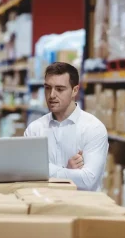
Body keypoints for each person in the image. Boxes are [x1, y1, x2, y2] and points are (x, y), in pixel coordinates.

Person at [24, 62, 108, 191]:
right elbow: (26, 173)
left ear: (74, 90)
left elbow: (88, 180)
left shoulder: (93, 128)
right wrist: (67, 172)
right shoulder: (34, 129)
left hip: (81, 209)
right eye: (47, 88)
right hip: (44, 206)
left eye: (59, 89)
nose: (51, 95)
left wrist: (43, 170)